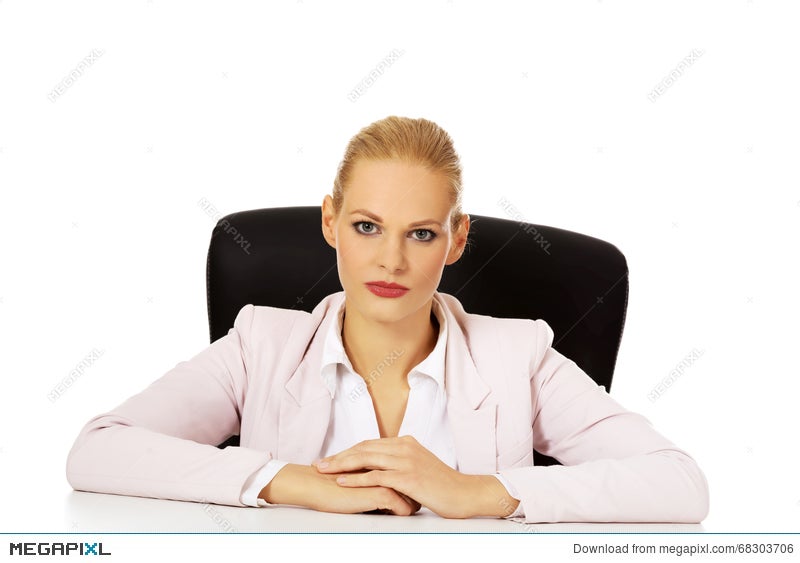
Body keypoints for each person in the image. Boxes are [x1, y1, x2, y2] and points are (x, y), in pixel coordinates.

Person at [66, 116, 709, 523]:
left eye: (422, 234)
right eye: (367, 226)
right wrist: (288, 482)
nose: (391, 260)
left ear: (456, 241)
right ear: (329, 223)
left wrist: (479, 492)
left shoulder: (520, 356)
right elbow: (96, 451)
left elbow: (680, 484)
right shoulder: (260, 344)